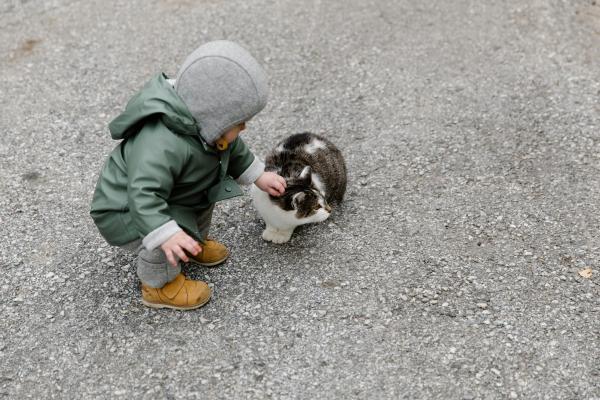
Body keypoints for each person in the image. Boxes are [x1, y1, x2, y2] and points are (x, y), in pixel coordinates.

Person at [90, 40, 286, 310]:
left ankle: (191, 244)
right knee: (164, 237)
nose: (244, 126)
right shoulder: (160, 143)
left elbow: (234, 149)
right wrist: (166, 234)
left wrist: (258, 175)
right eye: (237, 121)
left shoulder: (208, 128)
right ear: (212, 117)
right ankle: (158, 286)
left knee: (203, 201)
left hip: (176, 193)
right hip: (127, 208)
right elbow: (143, 194)